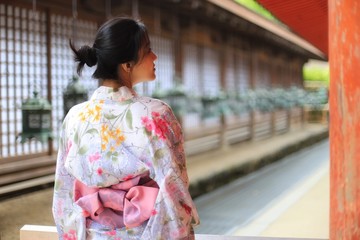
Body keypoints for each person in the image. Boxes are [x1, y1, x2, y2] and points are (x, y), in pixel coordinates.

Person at [52, 17, 200, 240]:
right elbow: (174, 189)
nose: (155, 57)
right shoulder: (155, 114)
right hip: (146, 232)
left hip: (89, 233)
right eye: (148, 50)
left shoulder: (75, 116)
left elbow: (63, 190)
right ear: (127, 64)